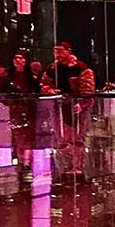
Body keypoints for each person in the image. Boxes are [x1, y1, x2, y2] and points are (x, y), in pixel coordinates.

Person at [42, 40, 96, 178]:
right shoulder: (52, 68)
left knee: (77, 137)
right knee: (61, 139)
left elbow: (88, 89)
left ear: (68, 51)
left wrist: (82, 103)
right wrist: (50, 91)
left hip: (76, 107)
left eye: (61, 50)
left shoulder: (81, 68)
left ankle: (77, 167)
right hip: (58, 107)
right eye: (55, 51)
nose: (58, 54)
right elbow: (43, 84)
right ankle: (68, 165)